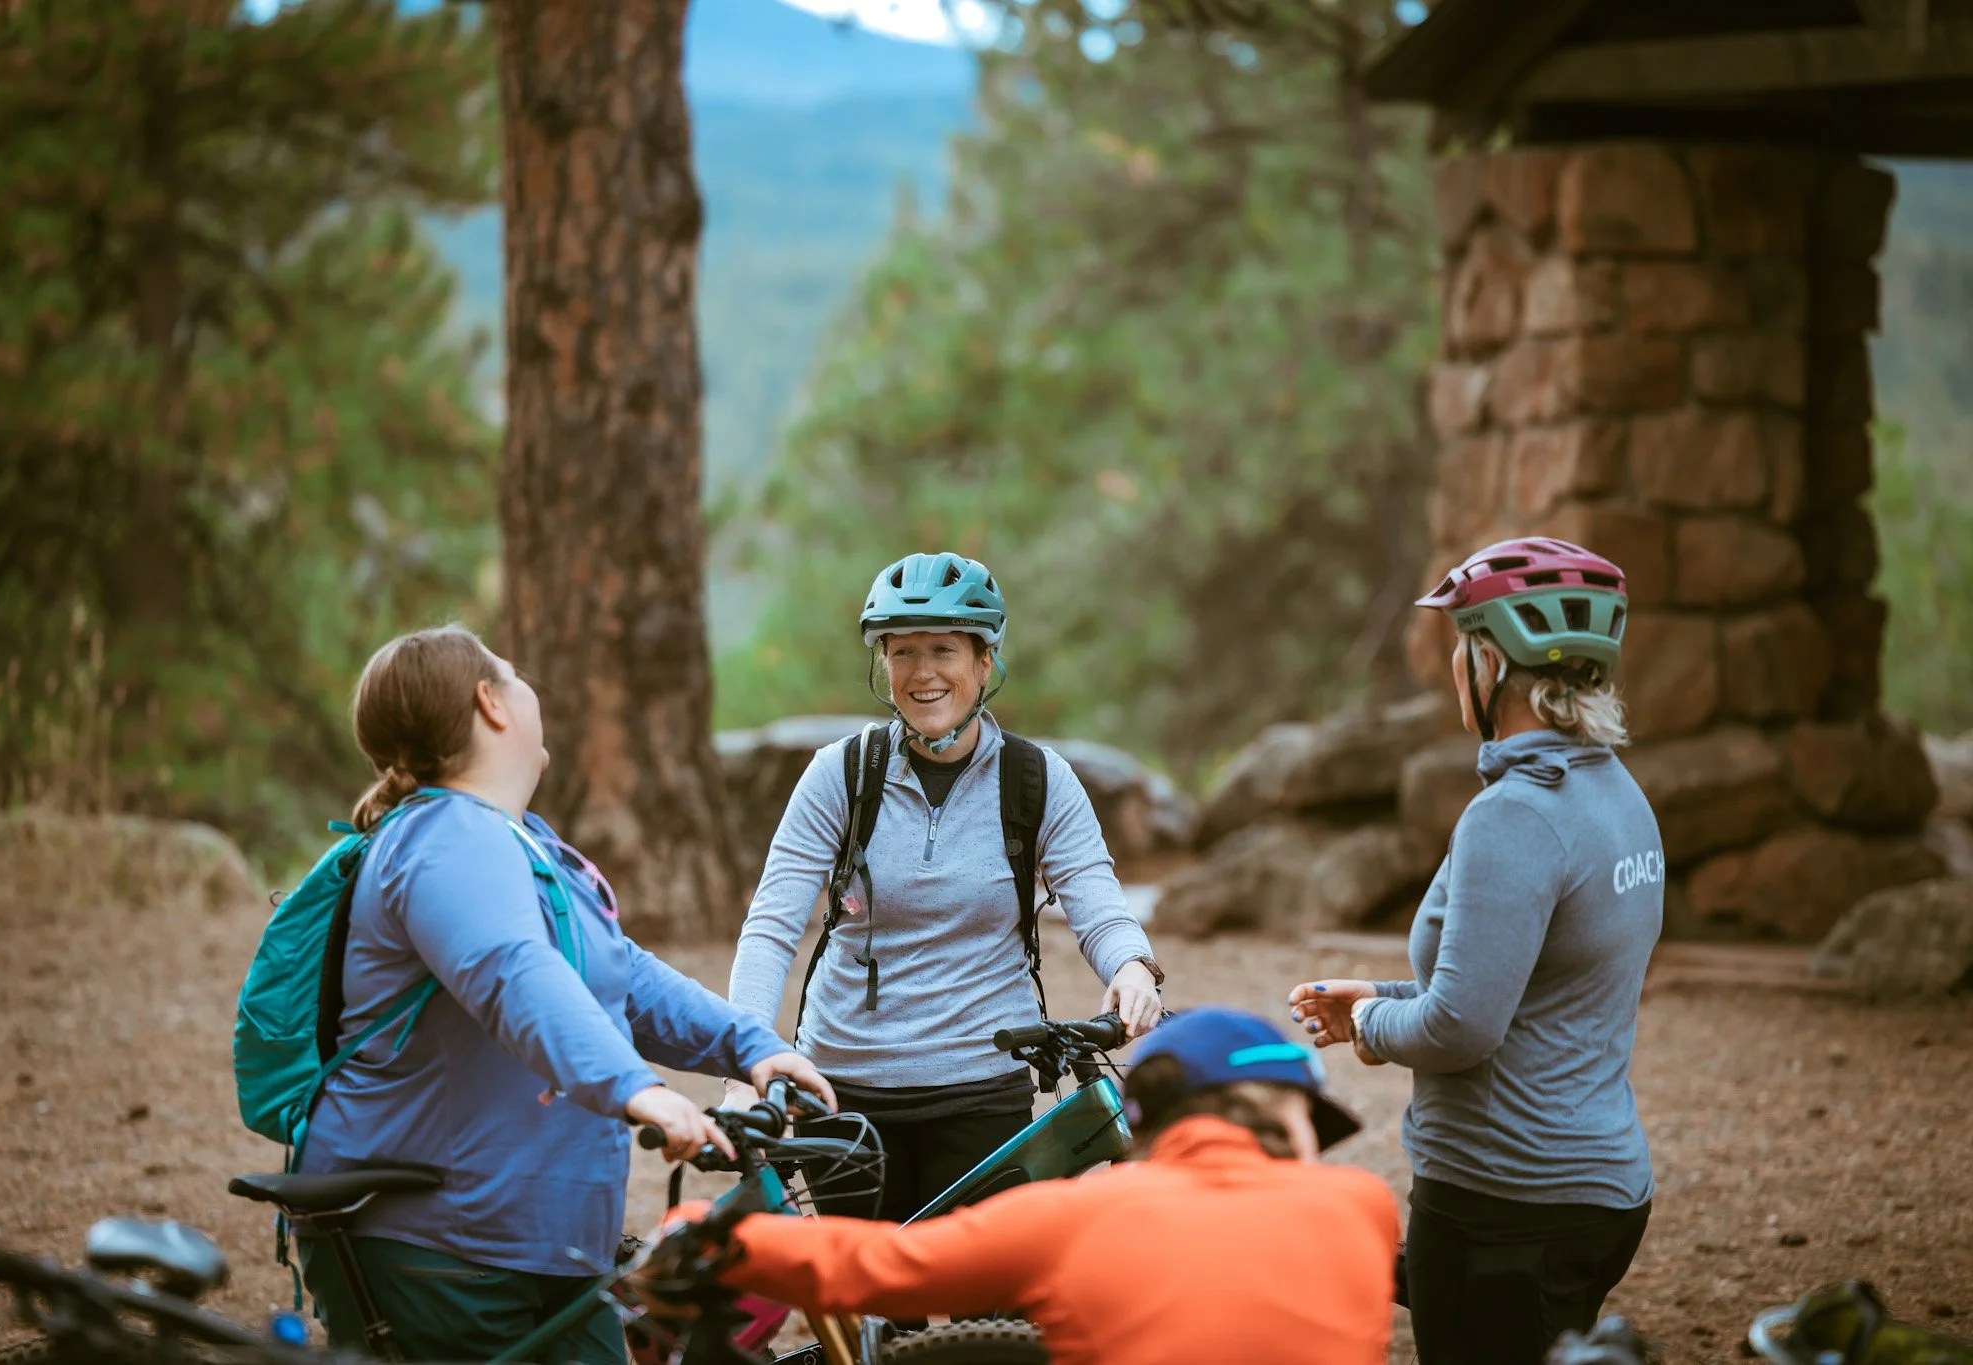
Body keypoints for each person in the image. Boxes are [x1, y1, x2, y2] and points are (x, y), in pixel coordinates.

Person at [295, 624, 835, 1364]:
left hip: (546, 1246)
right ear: (490, 703)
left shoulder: (528, 843)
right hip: (443, 1247)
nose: (530, 689)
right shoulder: (443, 837)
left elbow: (624, 976)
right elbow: (513, 974)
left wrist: (749, 1046)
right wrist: (636, 1090)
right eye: (514, 674)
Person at [1288, 536, 1664, 1365]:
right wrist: (1382, 994)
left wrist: (1371, 1025)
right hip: (1598, 1188)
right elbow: (1538, 983)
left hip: (1505, 1204)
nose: (1456, 665)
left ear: (1489, 663)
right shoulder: (1615, 793)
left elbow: (1462, 1027)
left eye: (1463, 645)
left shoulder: (1514, 814)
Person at [724, 551, 1165, 1224]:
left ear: (985, 662)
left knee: (982, 1288)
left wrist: (1131, 966)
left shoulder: (1036, 779)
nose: (922, 672)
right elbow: (771, 925)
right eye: (902, 651)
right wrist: (748, 1060)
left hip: (981, 1086)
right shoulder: (841, 774)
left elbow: (1094, 897)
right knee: (867, 1290)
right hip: (843, 1089)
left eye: (943, 650)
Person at [641, 1008, 1397, 1365]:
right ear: (1279, 1115)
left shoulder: (1075, 1216)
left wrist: (715, 1232)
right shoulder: (1362, 1205)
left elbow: (882, 1265)